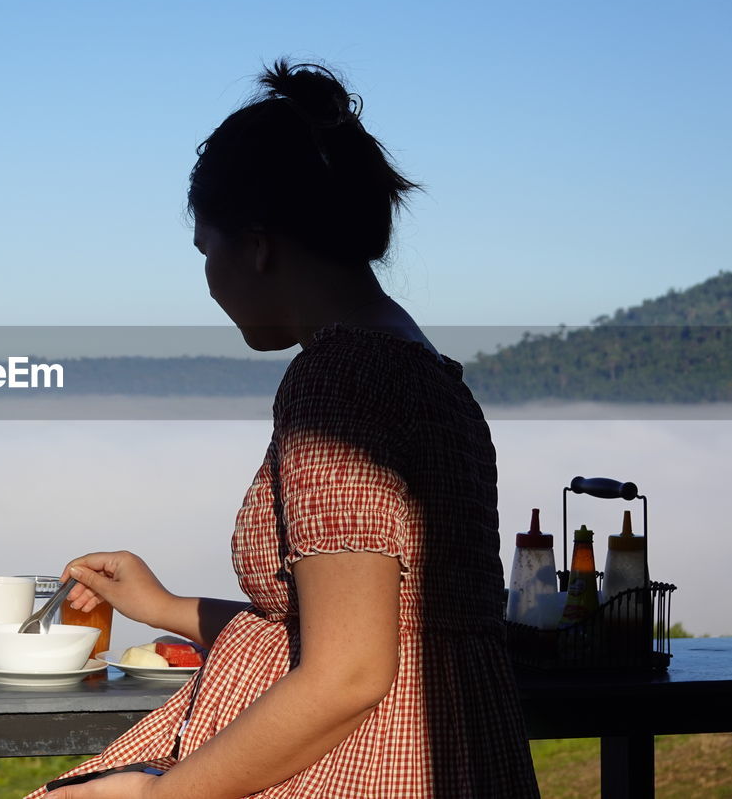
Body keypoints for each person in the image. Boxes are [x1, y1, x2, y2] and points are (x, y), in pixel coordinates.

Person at [30, 60, 540, 798]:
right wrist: (166, 606)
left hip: (361, 771)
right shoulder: (423, 369)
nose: (209, 281)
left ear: (259, 245)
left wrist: (155, 796)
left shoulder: (339, 383)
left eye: (208, 250)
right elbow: (363, 623)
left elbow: (349, 674)